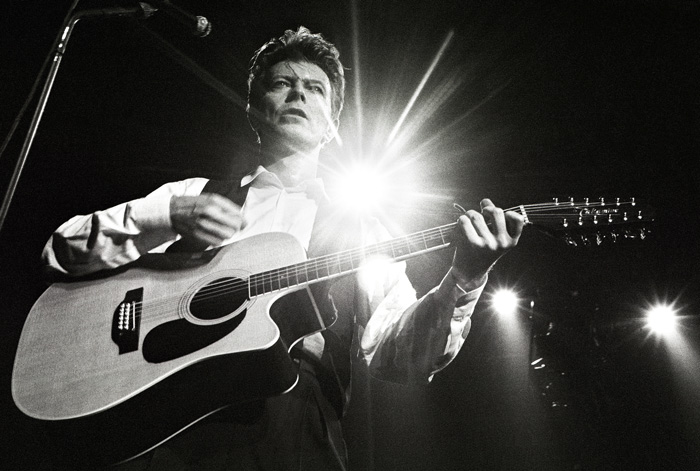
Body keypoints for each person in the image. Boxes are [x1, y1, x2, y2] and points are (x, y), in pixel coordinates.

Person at [42, 27, 524, 471]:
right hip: (166, 425)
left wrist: (465, 278)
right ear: (253, 109)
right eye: (282, 84)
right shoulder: (194, 193)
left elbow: (400, 354)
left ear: (331, 126)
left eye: (315, 89)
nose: (298, 94)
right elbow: (60, 250)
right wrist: (166, 216)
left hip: (289, 426)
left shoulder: (359, 228)